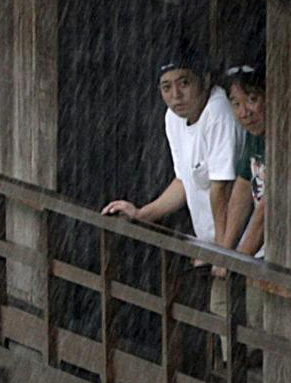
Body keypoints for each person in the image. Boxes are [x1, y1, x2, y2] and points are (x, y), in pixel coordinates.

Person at [104, 58, 242, 247]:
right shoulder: (173, 117)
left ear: (205, 80)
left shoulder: (218, 112)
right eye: (166, 87)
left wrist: (223, 253)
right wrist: (142, 214)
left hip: (242, 244)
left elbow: (222, 187)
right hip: (214, 243)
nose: (176, 95)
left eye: (184, 83)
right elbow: (184, 181)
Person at [217, 64, 269, 259]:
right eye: (236, 104)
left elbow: (268, 207)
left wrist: (237, 262)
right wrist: (225, 253)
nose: (244, 112)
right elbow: (243, 187)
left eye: (252, 100)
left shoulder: (283, 137)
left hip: (288, 254)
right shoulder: (255, 135)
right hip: (261, 255)